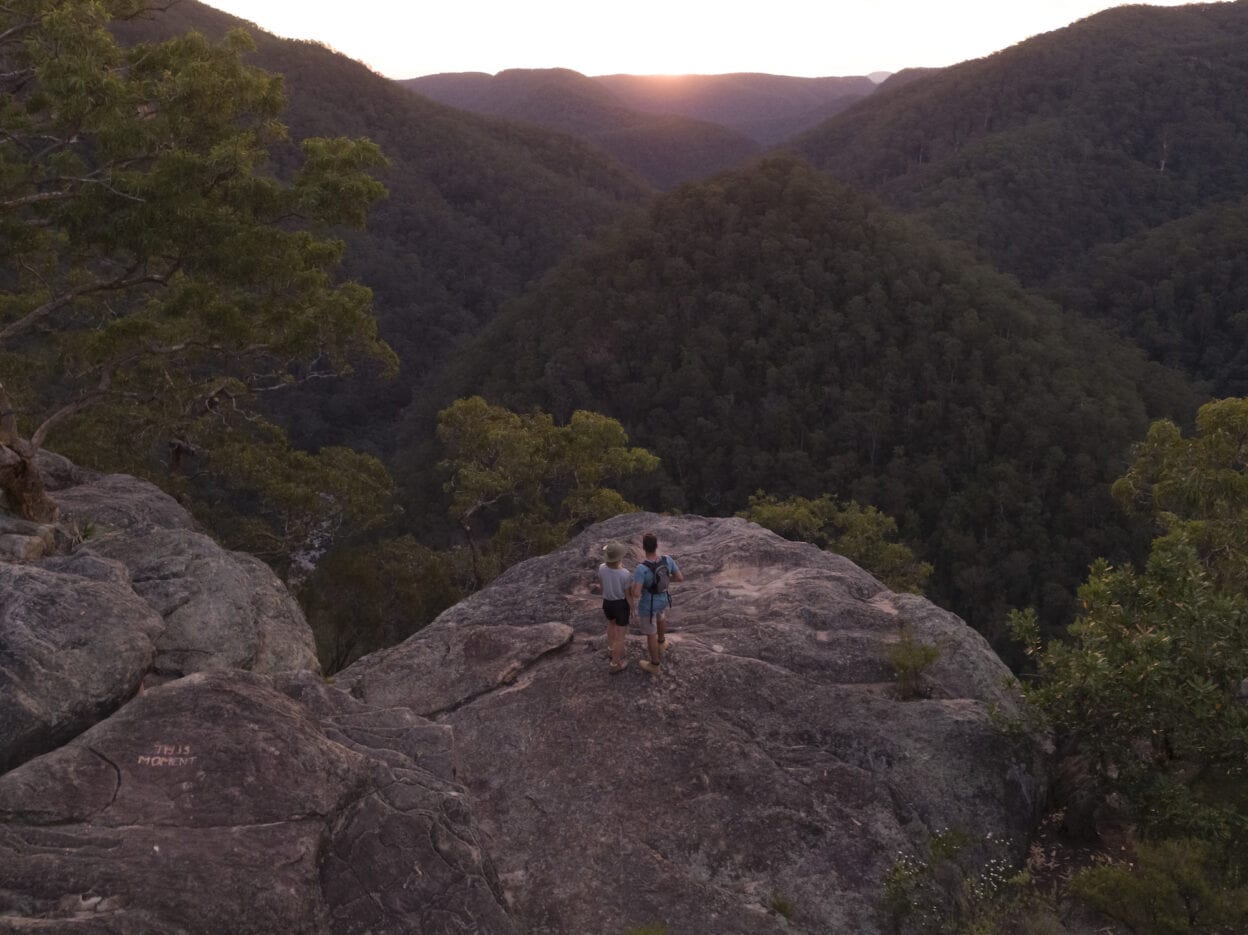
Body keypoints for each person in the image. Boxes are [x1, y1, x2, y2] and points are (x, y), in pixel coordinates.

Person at [630, 531, 684, 675]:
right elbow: (679, 578)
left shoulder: (641, 569)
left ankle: (655, 664)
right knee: (661, 616)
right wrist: (663, 581)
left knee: (650, 633)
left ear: (643, 548)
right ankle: (662, 643)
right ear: (657, 545)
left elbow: (636, 594)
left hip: (649, 603)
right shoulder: (667, 560)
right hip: (664, 598)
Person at [597, 541, 632, 673]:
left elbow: (602, 586)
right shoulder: (625, 574)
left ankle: (610, 649)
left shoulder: (601, 568)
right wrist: (632, 608)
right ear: (620, 558)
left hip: (607, 602)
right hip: (620, 605)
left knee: (611, 623)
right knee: (621, 636)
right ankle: (615, 664)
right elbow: (628, 595)